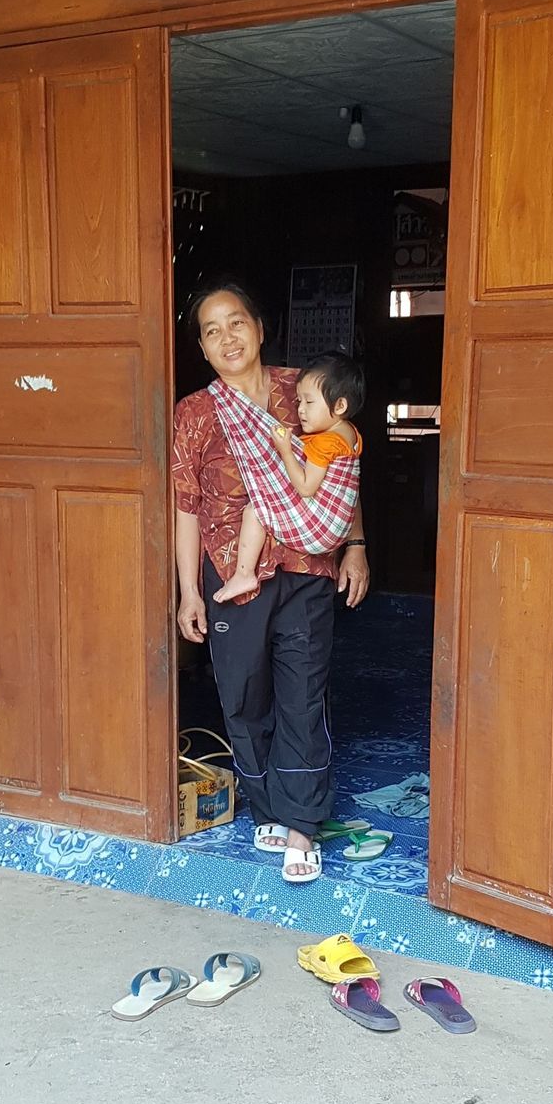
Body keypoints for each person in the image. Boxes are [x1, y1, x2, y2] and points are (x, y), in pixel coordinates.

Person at [172, 283, 369, 882]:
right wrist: (188, 591)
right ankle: (266, 805)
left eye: (236, 323)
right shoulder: (195, 413)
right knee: (243, 694)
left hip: (307, 567)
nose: (227, 338)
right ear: (202, 348)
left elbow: (344, 471)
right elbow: (186, 508)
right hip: (232, 576)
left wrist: (356, 546)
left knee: (302, 694)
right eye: (212, 331)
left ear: (259, 328)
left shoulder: (303, 389)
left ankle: (302, 824)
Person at [212, 350, 365, 604]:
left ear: (340, 405)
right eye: (299, 402)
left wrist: (284, 450)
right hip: (339, 529)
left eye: (309, 402)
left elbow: (305, 487)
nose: (301, 410)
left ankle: (244, 574)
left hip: (319, 528)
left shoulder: (325, 443)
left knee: (255, 510)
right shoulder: (350, 433)